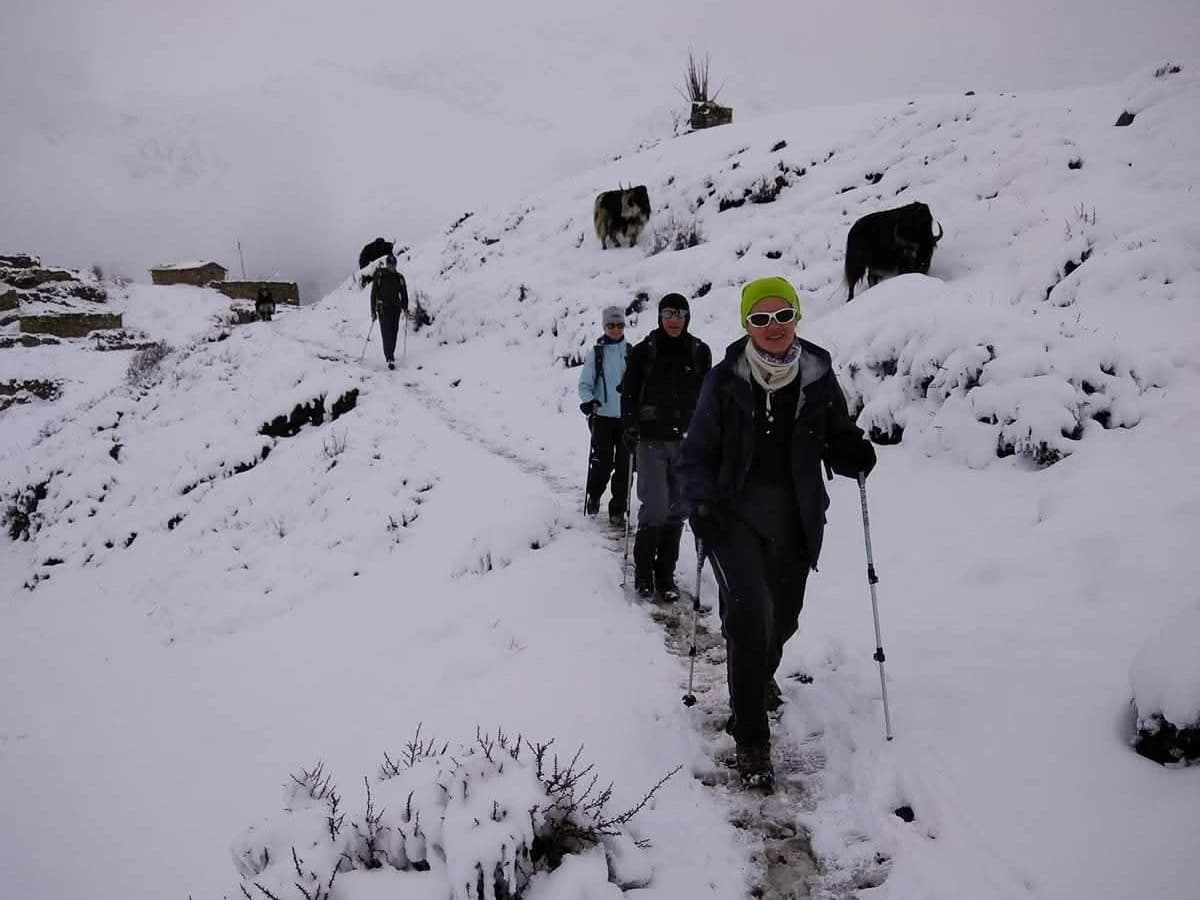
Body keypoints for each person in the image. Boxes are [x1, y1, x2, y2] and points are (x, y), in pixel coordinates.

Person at [679, 276, 877, 791]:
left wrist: (852, 449)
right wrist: (699, 500)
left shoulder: (817, 372)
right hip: (732, 515)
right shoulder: (723, 380)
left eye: (782, 314)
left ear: (797, 316)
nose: (774, 327)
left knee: (782, 618)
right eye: (761, 319)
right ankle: (750, 737)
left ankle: (762, 671)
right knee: (749, 614)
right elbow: (696, 452)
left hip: (796, 513)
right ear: (746, 324)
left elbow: (836, 433)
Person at [621, 293, 712, 602]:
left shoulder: (699, 352)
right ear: (659, 316)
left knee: (679, 509)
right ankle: (644, 576)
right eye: (668, 313)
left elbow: (707, 397)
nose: (674, 319)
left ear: (688, 317)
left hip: (686, 440)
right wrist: (630, 425)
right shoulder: (644, 351)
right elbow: (629, 393)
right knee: (656, 506)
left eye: (680, 313)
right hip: (650, 440)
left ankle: (665, 577)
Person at [578, 306, 631, 525]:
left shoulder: (630, 351)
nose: (615, 329)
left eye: (619, 325)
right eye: (611, 325)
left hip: (627, 417)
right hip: (602, 416)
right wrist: (589, 401)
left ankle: (617, 509)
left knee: (625, 464)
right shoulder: (597, 353)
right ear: (604, 326)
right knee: (603, 462)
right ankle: (595, 493)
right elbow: (585, 383)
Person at [370, 254, 409, 369]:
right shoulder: (380, 275)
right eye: (390, 264)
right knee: (386, 333)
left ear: (396, 264)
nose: (392, 266)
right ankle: (389, 358)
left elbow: (404, 293)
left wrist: (405, 307)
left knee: (394, 332)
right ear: (387, 264)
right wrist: (373, 311)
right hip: (383, 309)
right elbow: (373, 294)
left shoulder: (399, 277)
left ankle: (391, 353)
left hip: (395, 309)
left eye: (393, 264)